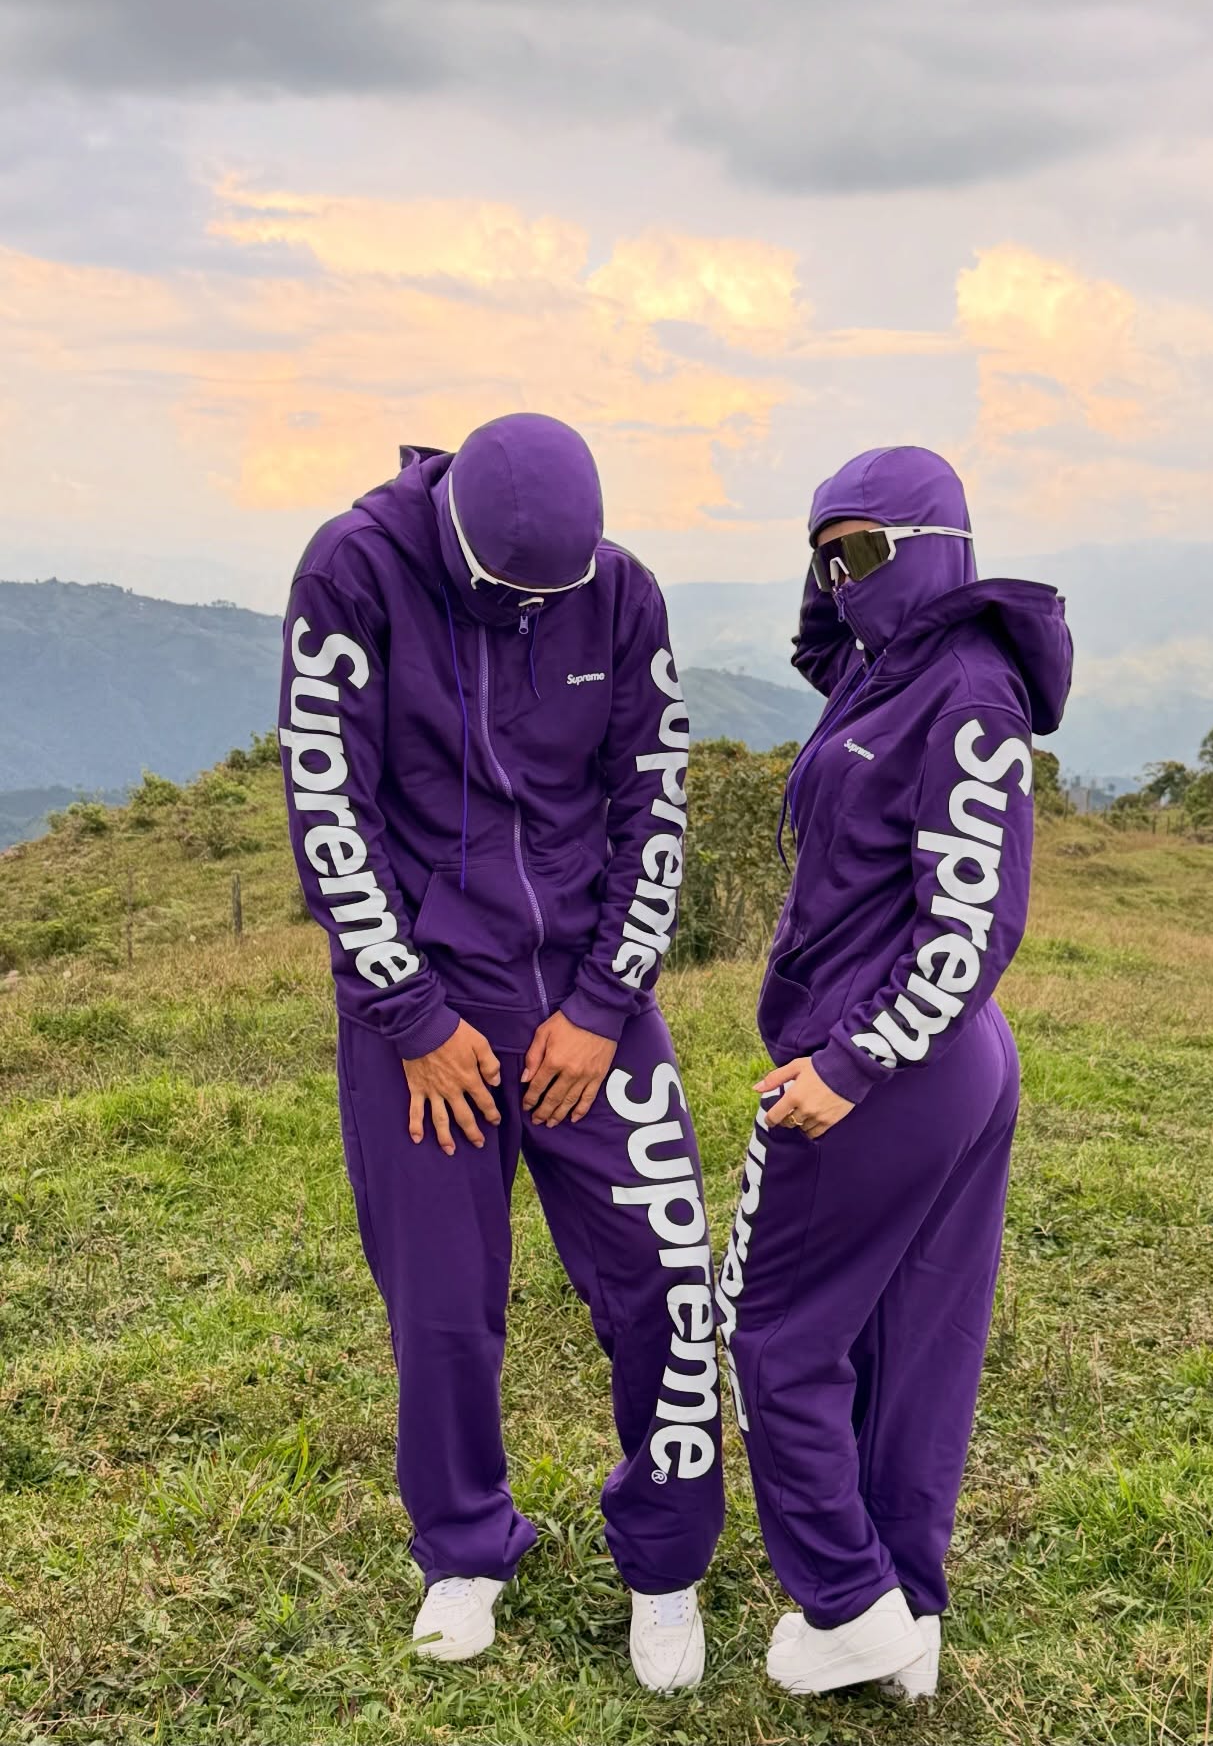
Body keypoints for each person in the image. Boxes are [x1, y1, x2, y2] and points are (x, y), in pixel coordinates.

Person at [279, 414, 722, 1690]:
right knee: (442, 1306)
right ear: (455, 533)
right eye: (503, 594)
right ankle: (464, 1549)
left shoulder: (622, 592)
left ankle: (667, 1564)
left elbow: (654, 800)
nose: (529, 614)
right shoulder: (352, 571)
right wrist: (413, 1019)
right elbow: (329, 806)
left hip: (589, 996)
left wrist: (605, 1003)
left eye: (551, 598)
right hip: (428, 1006)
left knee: (667, 1283)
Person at [716, 446, 1072, 1698]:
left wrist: (851, 1063)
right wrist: (836, 566)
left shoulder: (967, 694)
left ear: (935, 549)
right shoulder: (886, 666)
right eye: (824, 555)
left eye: (864, 550)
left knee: (771, 1331)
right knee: (911, 1339)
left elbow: (971, 921)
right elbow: (822, 642)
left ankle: (845, 1598)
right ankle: (904, 1612)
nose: (840, 578)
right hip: (944, 1061)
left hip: (891, 1060)